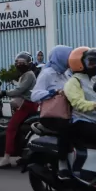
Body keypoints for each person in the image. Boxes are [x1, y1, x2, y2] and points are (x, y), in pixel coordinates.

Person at [31, 45, 73, 177]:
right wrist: (53, 92)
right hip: (51, 116)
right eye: (67, 57)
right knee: (67, 129)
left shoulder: (66, 73)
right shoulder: (47, 73)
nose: (69, 61)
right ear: (59, 58)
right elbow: (34, 95)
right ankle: (63, 165)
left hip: (67, 113)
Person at [0, 52, 37, 168]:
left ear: (29, 63)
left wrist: (3, 93)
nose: (19, 64)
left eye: (23, 62)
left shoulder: (28, 75)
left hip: (28, 105)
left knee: (11, 128)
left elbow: (19, 90)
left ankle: (6, 157)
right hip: (26, 104)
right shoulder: (26, 74)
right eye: (18, 62)